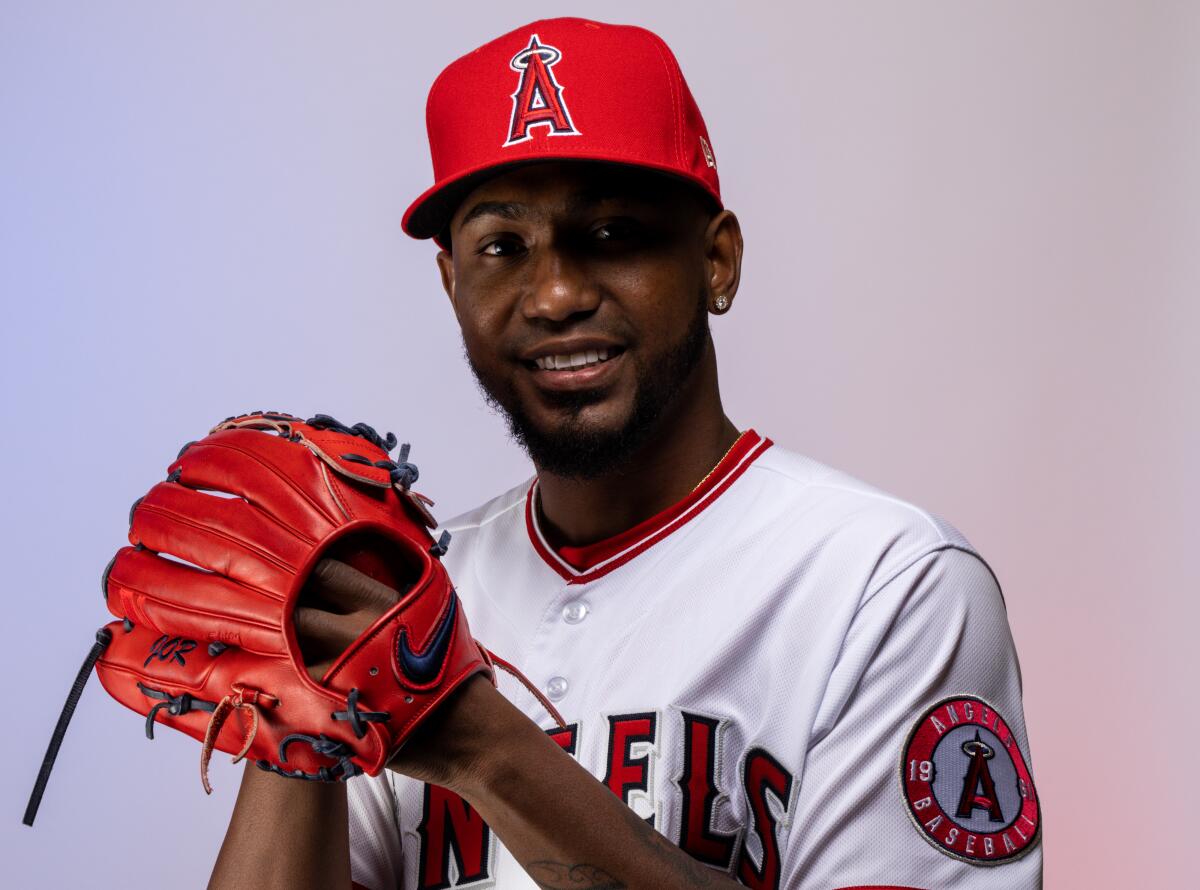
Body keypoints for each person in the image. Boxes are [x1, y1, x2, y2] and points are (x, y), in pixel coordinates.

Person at [209, 17, 1041, 890]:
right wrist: (290, 705)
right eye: (503, 247)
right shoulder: (403, 594)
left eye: (612, 233)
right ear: (452, 281)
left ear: (716, 261)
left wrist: (486, 751)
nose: (557, 294)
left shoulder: (888, 582)